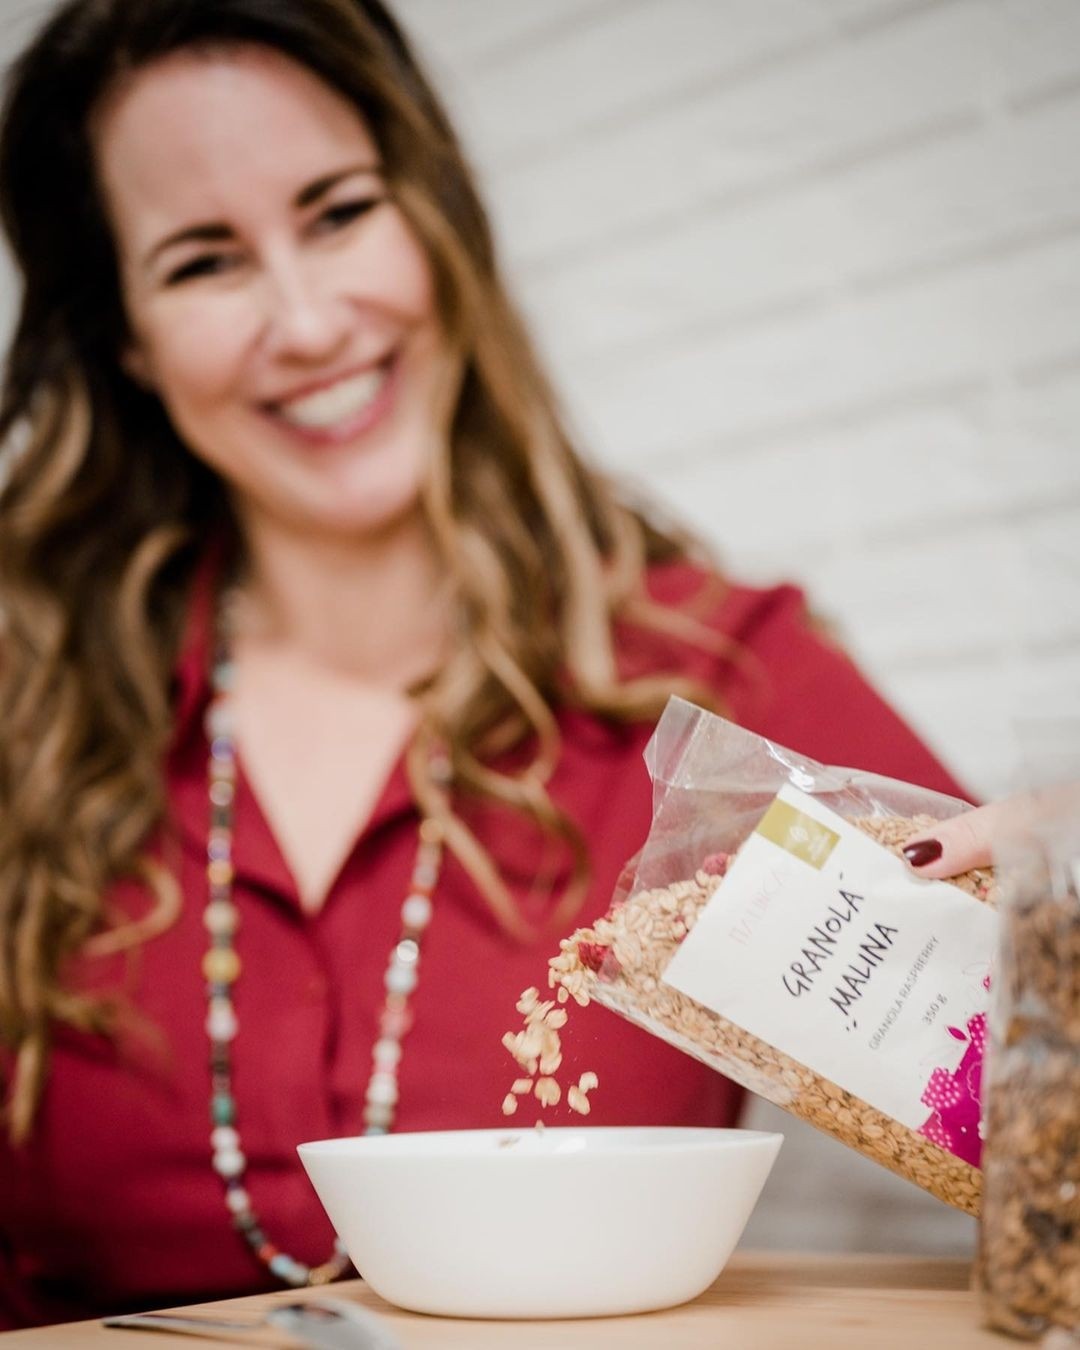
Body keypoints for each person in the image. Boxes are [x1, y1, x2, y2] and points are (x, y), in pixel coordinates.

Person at [0, 0, 974, 1329]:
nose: (306, 319)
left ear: (436, 218)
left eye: (340, 211)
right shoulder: (30, 725)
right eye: (203, 261)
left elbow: (1049, 1108)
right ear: (126, 337)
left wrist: (1057, 903)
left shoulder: (722, 679)